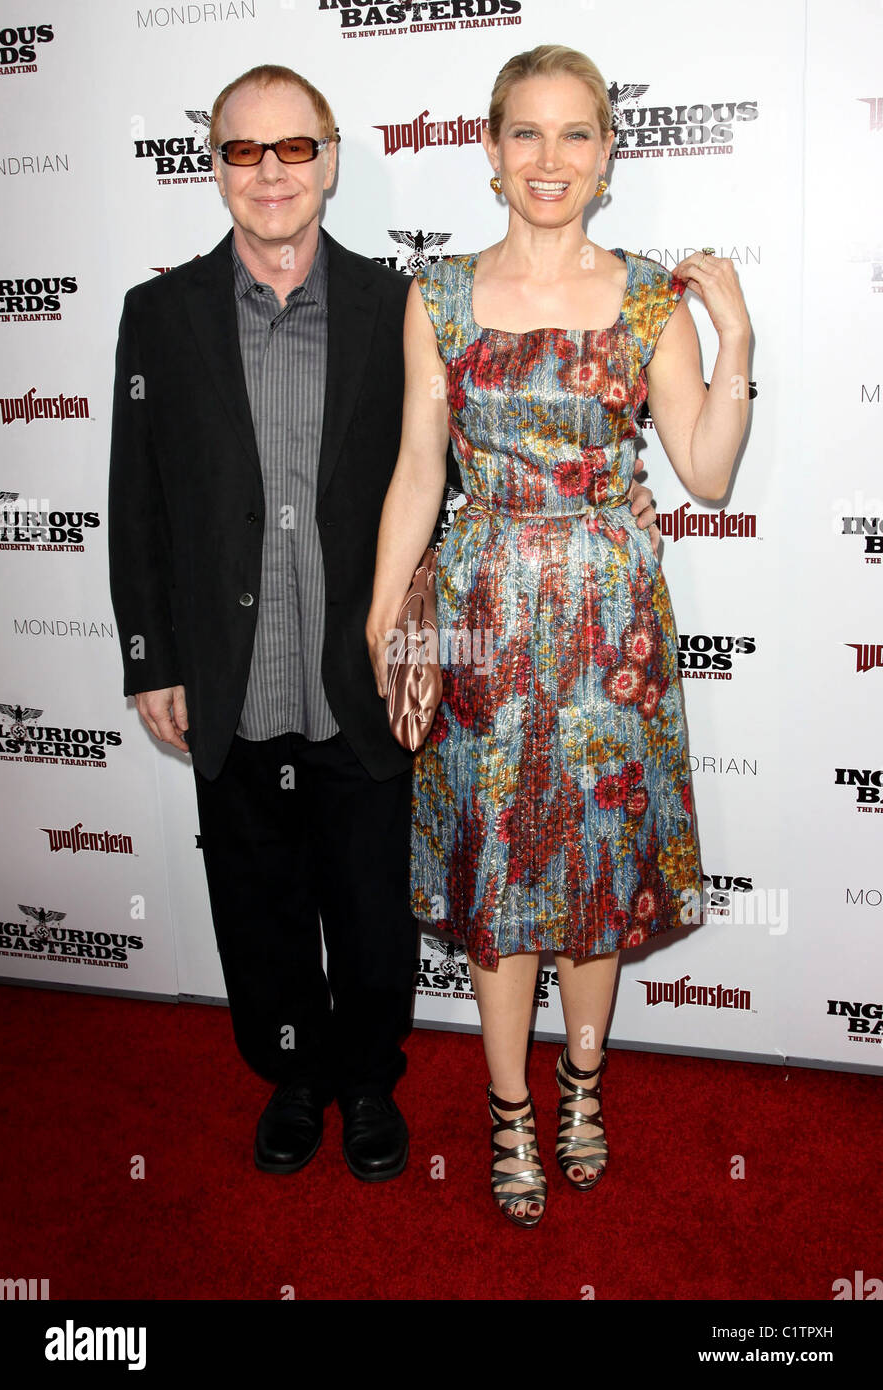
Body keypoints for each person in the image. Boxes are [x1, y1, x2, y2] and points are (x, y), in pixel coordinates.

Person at [109, 62, 661, 1187]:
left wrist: (619, 488)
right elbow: (138, 500)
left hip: (364, 671)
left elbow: (475, 455)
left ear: (332, 160)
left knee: (370, 906)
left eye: (294, 148)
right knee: (258, 904)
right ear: (213, 167)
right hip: (229, 672)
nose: (271, 175)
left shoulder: (394, 303)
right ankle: (292, 1074)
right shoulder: (155, 317)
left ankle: (367, 1080)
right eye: (242, 152)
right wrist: (150, 656)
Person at [367, 44, 750, 1224]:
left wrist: (734, 341)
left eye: (575, 133)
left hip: (610, 622)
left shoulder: (647, 298)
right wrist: (386, 616)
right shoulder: (434, 297)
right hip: (483, 618)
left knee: (590, 868)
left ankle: (582, 1083)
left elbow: (706, 470)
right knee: (500, 876)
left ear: (607, 153)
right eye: (525, 134)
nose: (549, 159)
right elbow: (418, 468)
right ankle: (508, 1109)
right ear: (488, 149)